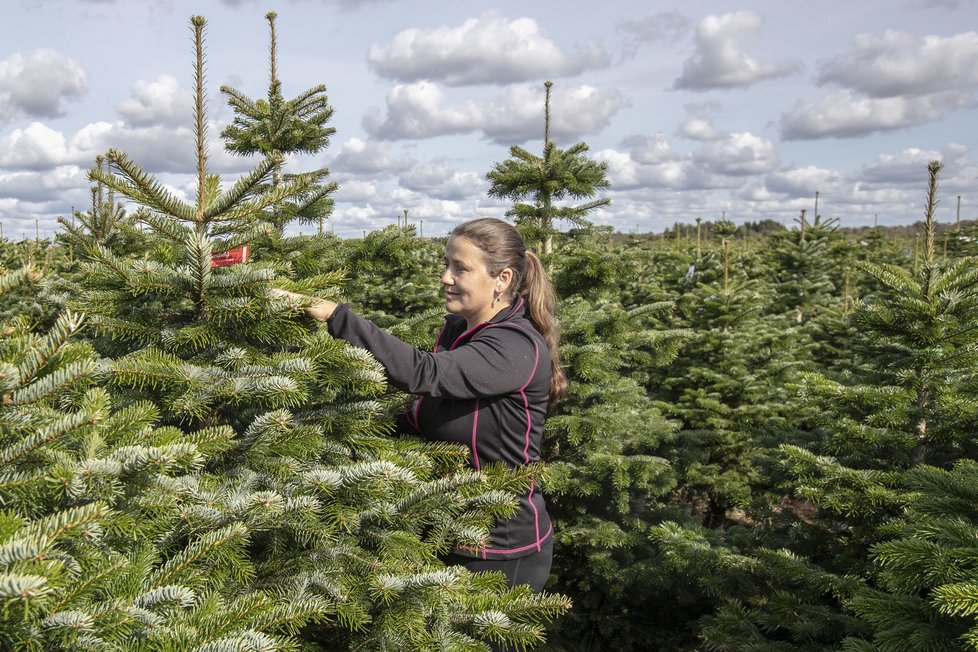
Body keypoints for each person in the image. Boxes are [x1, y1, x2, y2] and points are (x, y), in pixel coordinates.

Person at [274, 217, 566, 592]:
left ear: (502, 279)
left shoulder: (513, 347)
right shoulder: (461, 331)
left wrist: (335, 315)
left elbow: (422, 373)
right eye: (447, 264)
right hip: (446, 530)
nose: (446, 277)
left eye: (460, 268)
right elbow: (427, 411)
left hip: (500, 550)